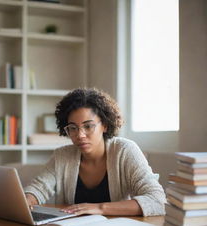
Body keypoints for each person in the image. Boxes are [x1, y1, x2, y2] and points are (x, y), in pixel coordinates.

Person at [24, 88, 166, 216]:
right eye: (73, 128)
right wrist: (26, 200)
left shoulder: (124, 151)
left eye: (88, 126)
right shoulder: (62, 156)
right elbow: (38, 188)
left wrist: (100, 208)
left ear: (104, 125)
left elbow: (157, 200)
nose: (80, 135)